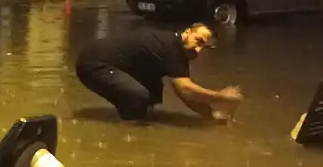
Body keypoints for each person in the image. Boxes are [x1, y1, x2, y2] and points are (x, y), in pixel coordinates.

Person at [75, 24, 243, 122]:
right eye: (197, 41)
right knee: (139, 96)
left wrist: (212, 116)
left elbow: (184, 93)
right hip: (92, 64)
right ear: (186, 32)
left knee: (154, 93)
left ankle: (135, 119)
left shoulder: (178, 50)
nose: (197, 50)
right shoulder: (169, 47)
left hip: (111, 63)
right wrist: (222, 97)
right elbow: (186, 89)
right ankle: (128, 131)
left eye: (203, 47)